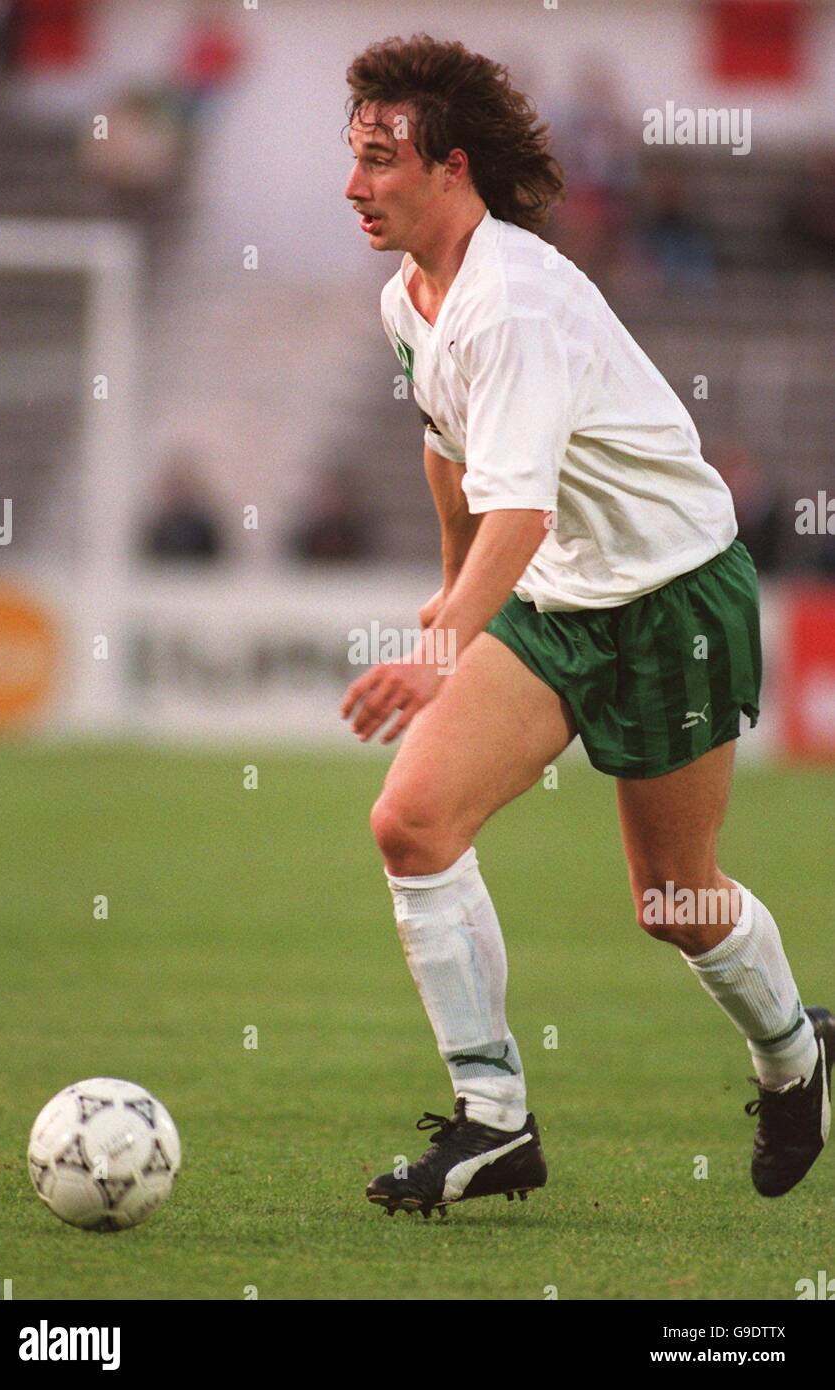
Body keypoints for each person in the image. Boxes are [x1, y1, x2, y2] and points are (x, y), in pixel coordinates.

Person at [339, 34, 832, 1219]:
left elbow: (526, 497)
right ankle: (492, 1120)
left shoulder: (508, 298)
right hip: (556, 599)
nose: (355, 185)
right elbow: (449, 452)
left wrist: (445, 639)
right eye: (349, 159)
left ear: (450, 167)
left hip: (671, 595)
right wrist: (451, 588)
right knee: (410, 823)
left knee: (671, 898)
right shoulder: (410, 299)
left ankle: (791, 1055)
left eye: (377, 161)